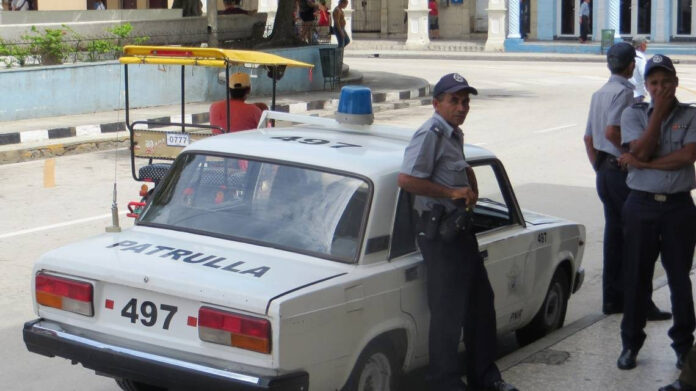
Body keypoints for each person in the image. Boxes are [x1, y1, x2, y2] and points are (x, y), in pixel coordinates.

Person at [398, 73, 518, 391]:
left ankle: (485, 377)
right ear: (436, 103)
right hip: (439, 237)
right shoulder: (430, 134)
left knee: (481, 304)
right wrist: (451, 194)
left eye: (465, 101)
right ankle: (445, 382)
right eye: (454, 100)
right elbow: (407, 180)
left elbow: (452, 171)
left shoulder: (453, 134)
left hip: (460, 233)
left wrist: (467, 181)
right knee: (448, 313)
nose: (462, 107)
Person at [616, 54, 696, 371]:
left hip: (678, 207)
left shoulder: (690, 115)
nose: (660, 88)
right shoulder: (633, 114)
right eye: (654, 83)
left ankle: (683, 348)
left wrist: (645, 165)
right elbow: (639, 149)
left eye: (666, 82)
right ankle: (630, 344)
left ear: (676, 83)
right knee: (636, 277)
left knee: (679, 279)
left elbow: (687, 155)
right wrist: (658, 114)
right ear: (646, 86)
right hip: (641, 205)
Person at [583, 42, 670, 324]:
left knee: (615, 237)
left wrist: (599, 165)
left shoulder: (599, 93)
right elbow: (611, 131)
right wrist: (630, 155)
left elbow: (588, 137)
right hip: (620, 174)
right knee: (638, 240)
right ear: (632, 66)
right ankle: (640, 303)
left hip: (605, 173)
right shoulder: (624, 93)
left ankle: (613, 298)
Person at [630, 37, 648, 103]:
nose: (646, 46)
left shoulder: (628, 54)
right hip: (638, 93)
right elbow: (644, 74)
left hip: (628, 91)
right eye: (645, 43)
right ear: (641, 45)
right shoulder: (640, 57)